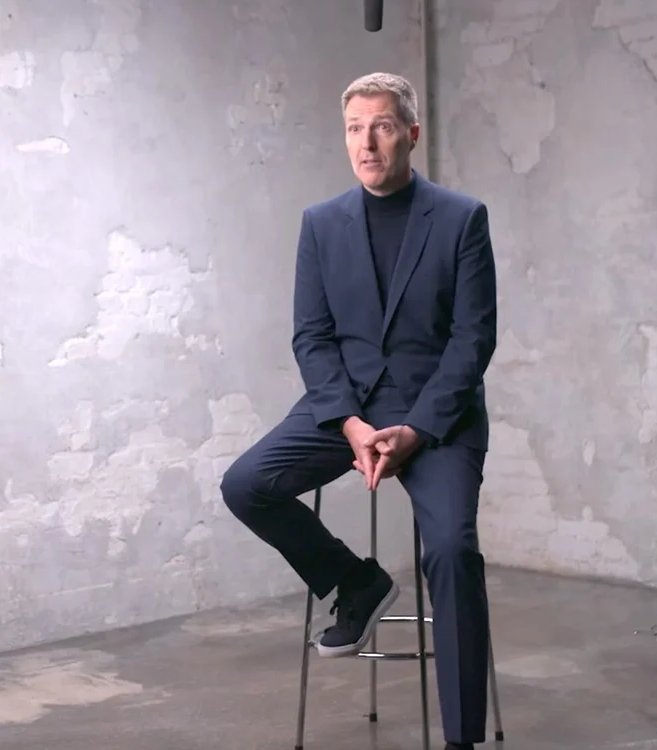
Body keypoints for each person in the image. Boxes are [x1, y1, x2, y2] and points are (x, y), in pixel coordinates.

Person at [220, 72, 497, 750]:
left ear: (411, 134)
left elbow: (473, 339)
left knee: (452, 550)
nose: (366, 143)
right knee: (246, 484)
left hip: (438, 414)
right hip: (347, 407)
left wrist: (419, 429)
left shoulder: (461, 218)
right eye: (353, 129)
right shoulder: (321, 223)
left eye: (381, 126)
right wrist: (349, 424)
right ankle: (356, 582)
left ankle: (460, 739)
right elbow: (311, 337)